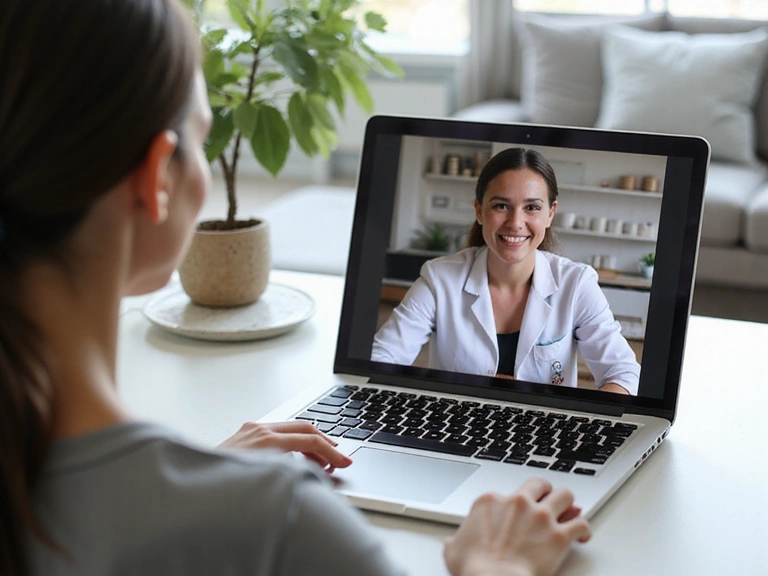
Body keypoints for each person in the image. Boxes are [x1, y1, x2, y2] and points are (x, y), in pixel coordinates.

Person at [0, 1, 591, 575]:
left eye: (532, 207)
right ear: (156, 178)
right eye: (203, 143)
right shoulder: (277, 517)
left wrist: (198, 476)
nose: (516, 222)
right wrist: (497, 564)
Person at [372, 148, 640, 395]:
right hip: (454, 426)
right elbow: (382, 359)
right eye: (501, 206)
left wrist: (593, 431)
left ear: (550, 214)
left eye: (532, 207)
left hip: (545, 433)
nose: (515, 223)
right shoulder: (439, 279)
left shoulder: (577, 284)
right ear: (479, 210)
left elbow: (623, 372)